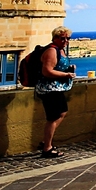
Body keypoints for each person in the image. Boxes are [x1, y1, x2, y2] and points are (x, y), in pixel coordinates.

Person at [36, 26, 77, 157]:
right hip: (50, 89)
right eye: (62, 38)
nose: (66, 41)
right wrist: (66, 75)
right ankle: (47, 148)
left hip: (56, 89)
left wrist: (69, 68)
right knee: (53, 117)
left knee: (61, 113)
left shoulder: (60, 50)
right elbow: (47, 71)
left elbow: (57, 66)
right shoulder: (52, 51)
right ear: (55, 38)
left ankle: (46, 141)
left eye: (68, 38)